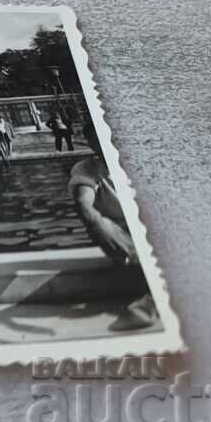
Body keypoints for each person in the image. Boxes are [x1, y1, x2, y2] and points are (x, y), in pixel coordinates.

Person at [69, 119, 157, 331]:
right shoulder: (87, 168)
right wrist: (96, 222)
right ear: (91, 144)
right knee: (100, 224)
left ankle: (149, 303)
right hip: (121, 237)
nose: (103, 143)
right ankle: (150, 298)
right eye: (96, 140)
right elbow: (83, 202)